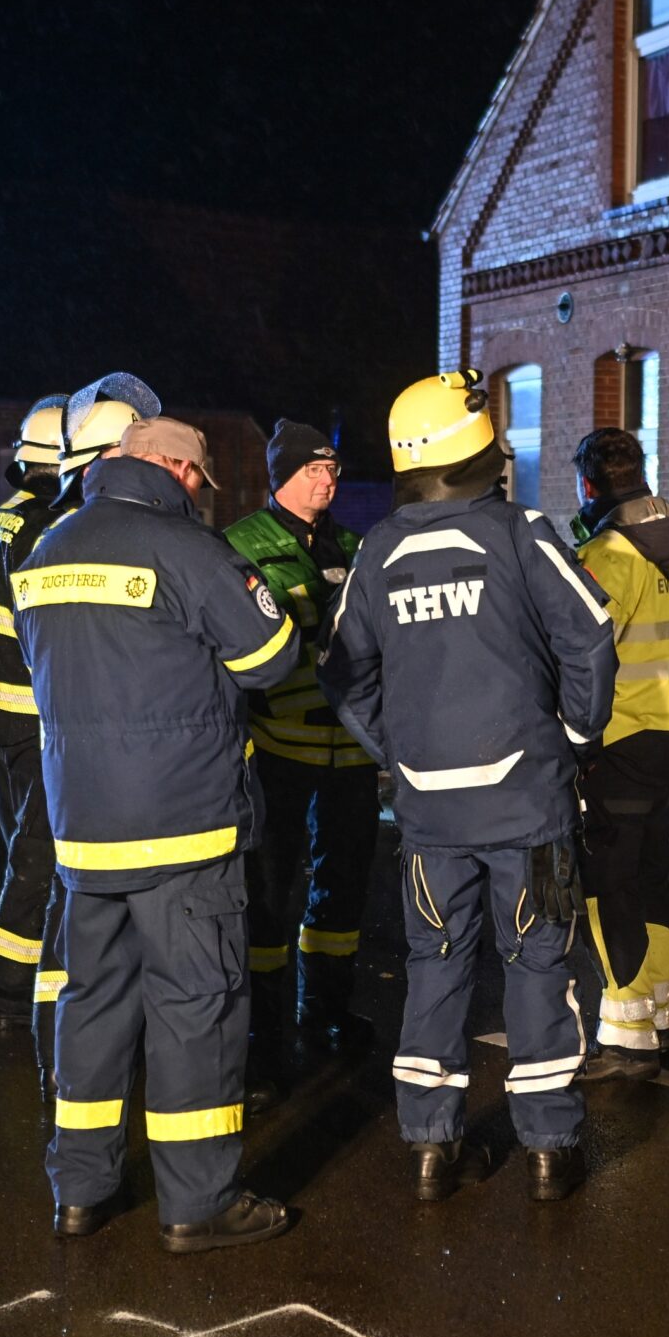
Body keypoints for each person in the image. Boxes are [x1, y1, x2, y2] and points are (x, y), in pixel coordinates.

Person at [321, 370, 615, 1204]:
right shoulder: (523, 534)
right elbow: (591, 640)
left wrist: (399, 748)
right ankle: (551, 1151)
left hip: (427, 811)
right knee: (537, 964)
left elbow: (341, 678)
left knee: (434, 966)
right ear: (480, 451)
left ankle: (429, 1148)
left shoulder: (378, 552)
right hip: (531, 809)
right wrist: (575, 737)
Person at [16, 394, 299, 1252]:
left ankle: (81, 1190)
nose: (203, 493)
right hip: (182, 828)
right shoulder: (188, 549)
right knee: (196, 1008)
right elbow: (270, 657)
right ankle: (198, 1200)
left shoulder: (47, 551)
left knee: (93, 1004)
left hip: (84, 827)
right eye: (199, 478)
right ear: (177, 470)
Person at [224, 421, 378, 1080]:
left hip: (351, 755)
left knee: (343, 893)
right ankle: (265, 1032)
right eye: (314, 469)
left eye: (334, 470)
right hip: (278, 753)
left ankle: (326, 1010)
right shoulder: (239, 546)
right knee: (269, 893)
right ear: (280, 475)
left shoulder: (353, 543)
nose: (328, 480)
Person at [567, 427, 669, 1078]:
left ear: (589, 484)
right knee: (652, 874)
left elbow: (582, 657)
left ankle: (627, 1039)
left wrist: (577, 739)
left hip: (624, 737)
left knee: (610, 882)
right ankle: (658, 1018)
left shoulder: (608, 555)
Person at [0, 397, 81, 1040]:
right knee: (40, 863)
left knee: (27, 855)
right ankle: (18, 1004)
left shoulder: (2, 519)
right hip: (36, 720)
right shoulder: (45, 525)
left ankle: (18, 998)